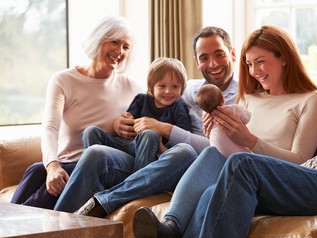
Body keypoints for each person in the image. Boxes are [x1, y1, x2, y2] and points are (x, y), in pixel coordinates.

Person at [133, 25, 317, 238]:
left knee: (229, 171)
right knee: (210, 174)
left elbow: (301, 162)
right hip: (239, 180)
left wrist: (250, 140)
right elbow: (229, 147)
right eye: (249, 64)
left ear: (284, 58)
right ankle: (168, 230)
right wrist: (215, 130)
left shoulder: (311, 100)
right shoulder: (250, 97)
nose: (254, 71)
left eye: (261, 61)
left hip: (276, 182)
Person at [52, 26, 239, 216]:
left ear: (232, 54)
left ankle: (103, 200)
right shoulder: (189, 89)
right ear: (197, 62)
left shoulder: (244, 96)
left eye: (219, 54)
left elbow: (217, 150)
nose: (213, 64)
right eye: (204, 58)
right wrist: (118, 123)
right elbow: (155, 90)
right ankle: (54, 228)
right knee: (94, 152)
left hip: (175, 162)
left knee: (183, 151)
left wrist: (163, 129)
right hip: (140, 159)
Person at [10, 16, 143, 210]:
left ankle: (14, 232)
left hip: (98, 168)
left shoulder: (133, 88)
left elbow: (150, 125)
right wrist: (52, 165)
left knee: (56, 183)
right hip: (67, 163)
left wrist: (125, 126)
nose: (120, 51)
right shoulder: (63, 80)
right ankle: (8, 229)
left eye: (126, 46)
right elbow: (50, 128)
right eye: (114, 41)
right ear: (98, 39)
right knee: (36, 170)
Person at [81, 57, 192, 176]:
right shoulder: (141, 99)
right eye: (162, 86)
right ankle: (93, 176)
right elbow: (127, 123)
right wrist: (124, 120)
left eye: (175, 86)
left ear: (182, 89)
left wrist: (163, 148)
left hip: (150, 152)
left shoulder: (178, 108)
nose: (168, 91)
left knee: (149, 134)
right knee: (90, 131)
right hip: (128, 144)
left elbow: (182, 137)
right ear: (151, 86)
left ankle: (136, 182)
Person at [196, 84, 252, 157]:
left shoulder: (205, 117)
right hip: (240, 154)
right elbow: (248, 117)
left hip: (219, 155)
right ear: (223, 99)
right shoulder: (232, 110)